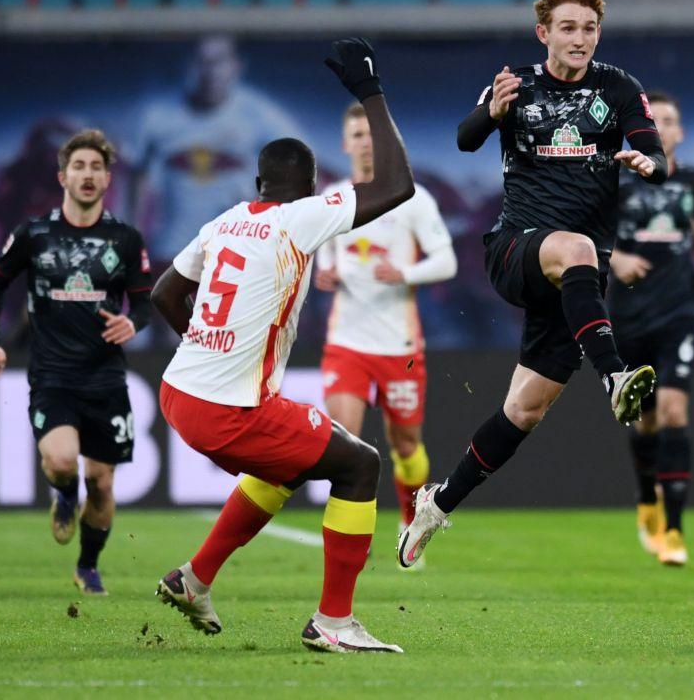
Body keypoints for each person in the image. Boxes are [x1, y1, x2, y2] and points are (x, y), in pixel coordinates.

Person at [150, 38, 415, 654]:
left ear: (258, 181)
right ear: (312, 189)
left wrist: (205, 348)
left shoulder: (224, 221)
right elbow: (397, 184)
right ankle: (333, 621)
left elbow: (165, 294)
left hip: (178, 389)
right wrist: (369, 90)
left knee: (287, 468)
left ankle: (193, 579)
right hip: (228, 407)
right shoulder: (300, 218)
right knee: (361, 464)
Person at [395, 0, 666, 568]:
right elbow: (465, 139)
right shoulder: (514, 83)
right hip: (517, 248)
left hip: (575, 285)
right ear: (543, 32)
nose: (581, 38)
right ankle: (615, 376)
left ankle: (436, 503)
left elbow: (655, 150)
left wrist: (648, 160)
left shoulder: (618, 88)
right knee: (576, 248)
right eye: (568, 28)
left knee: (525, 410)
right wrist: (490, 111)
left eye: (590, 28)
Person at [0, 130, 152, 595]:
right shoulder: (33, 235)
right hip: (52, 375)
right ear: (62, 177)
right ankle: (63, 492)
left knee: (102, 479)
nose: (88, 175)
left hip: (106, 377)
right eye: (79, 167)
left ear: (108, 178)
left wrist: (135, 323)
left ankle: (88, 566)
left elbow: (146, 300)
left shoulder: (125, 239)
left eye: (96, 167)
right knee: (59, 462)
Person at [315, 103, 457, 555]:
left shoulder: (413, 197)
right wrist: (325, 272)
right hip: (347, 343)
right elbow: (321, 253)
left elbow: (447, 260)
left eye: (373, 134)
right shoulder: (335, 198)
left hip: (399, 347)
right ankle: (343, 544)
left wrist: (405, 274)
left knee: (407, 444)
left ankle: (411, 523)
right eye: (357, 134)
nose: (365, 142)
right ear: (345, 143)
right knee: (344, 442)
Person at [609, 91, 694, 567]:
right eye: (654, 120)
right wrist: (614, 257)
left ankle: (674, 531)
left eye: (670, 120)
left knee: (675, 411)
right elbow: (585, 234)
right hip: (630, 313)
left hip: (680, 309)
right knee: (647, 419)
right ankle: (646, 497)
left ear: (680, 132)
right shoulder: (613, 181)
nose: (663, 128)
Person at [132, 35, 302, 262]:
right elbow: (137, 178)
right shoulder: (159, 116)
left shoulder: (257, 114)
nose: (210, 71)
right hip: (171, 254)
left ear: (237, 65)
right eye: (202, 61)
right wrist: (134, 235)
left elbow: (300, 166)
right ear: (188, 65)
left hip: (235, 256)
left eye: (219, 61)